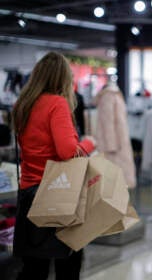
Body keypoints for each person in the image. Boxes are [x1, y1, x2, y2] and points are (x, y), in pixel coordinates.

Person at [11, 51, 96, 280]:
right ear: (62, 78)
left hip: (29, 192)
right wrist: (89, 142)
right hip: (58, 195)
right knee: (67, 265)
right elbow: (67, 151)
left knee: (34, 267)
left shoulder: (23, 105)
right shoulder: (57, 104)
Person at [95, 81, 136, 189]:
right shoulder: (109, 96)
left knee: (117, 182)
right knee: (114, 181)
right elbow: (107, 121)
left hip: (118, 142)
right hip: (114, 146)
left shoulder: (112, 95)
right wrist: (110, 145)